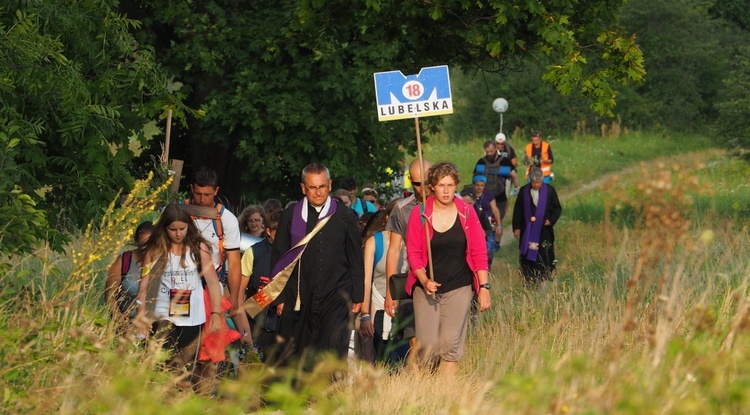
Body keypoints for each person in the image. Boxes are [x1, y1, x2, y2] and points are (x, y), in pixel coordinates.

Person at [271, 163, 364, 366]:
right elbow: (279, 258)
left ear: (330, 185)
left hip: (336, 296)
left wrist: (358, 294)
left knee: (332, 351)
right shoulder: (290, 215)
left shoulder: (345, 216)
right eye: (313, 187)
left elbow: (356, 258)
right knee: (297, 354)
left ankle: (330, 396)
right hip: (299, 296)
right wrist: (278, 297)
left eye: (322, 186)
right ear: (303, 188)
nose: (318, 192)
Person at [405, 162, 491, 374]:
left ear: (456, 186)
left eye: (450, 185)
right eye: (441, 185)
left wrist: (484, 287)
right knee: (427, 347)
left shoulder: (467, 213)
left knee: (450, 346)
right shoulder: (420, 214)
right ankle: (416, 387)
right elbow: (413, 253)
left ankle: (446, 399)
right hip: (426, 289)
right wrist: (424, 279)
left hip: (458, 287)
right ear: (432, 186)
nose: (446, 190)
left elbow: (479, 253)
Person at [135, 203, 226, 392]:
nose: (178, 234)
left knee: (184, 368)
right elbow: (144, 284)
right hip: (162, 314)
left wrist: (216, 313)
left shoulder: (198, 247)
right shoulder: (155, 249)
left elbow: (212, 281)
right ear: (164, 228)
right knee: (164, 365)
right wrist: (141, 314)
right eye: (173, 229)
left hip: (192, 316)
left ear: (188, 226)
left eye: (182, 229)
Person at [184, 168, 251, 342]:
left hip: (214, 279)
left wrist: (235, 296)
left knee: (239, 319)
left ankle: (249, 352)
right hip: (183, 281)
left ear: (216, 191)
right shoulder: (180, 212)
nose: (202, 199)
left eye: (207, 194)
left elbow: (234, 261)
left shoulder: (226, 219)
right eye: (198, 194)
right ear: (191, 189)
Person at [383, 158, 432, 360]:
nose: (422, 188)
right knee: (413, 338)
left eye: (427, 182)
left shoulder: (450, 204)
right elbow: (394, 250)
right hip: (410, 280)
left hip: (442, 278)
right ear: (410, 181)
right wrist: (390, 291)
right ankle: (419, 384)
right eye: (417, 184)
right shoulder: (402, 209)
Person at [357, 201, 400, 363]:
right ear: (387, 217)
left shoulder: (413, 240)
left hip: (406, 309)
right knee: (384, 359)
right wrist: (365, 315)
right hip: (380, 308)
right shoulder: (375, 242)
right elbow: (366, 280)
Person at [239, 210, 282, 358]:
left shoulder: (294, 253)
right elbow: (240, 293)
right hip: (255, 320)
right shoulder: (253, 252)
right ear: (268, 231)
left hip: (282, 324)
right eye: (278, 233)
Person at [512, 167, 562, 287]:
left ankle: (545, 275)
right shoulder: (524, 191)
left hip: (544, 230)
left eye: (538, 182)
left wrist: (550, 220)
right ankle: (529, 276)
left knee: (544, 252)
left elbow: (557, 208)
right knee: (527, 252)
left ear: (542, 180)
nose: (535, 185)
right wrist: (517, 227)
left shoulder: (549, 191)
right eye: (533, 182)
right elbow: (518, 210)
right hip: (527, 229)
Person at [105, 221, 154, 319]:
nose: (147, 249)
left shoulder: (164, 261)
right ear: (136, 241)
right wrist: (121, 321)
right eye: (144, 244)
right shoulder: (124, 261)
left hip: (156, 324)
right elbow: (109, 297)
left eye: (152, 244)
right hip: (127, 322)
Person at [474, 140, 513, 218]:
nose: (489, 154)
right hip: (486, 196)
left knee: (498, 221)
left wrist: (517, 187)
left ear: (496, 148)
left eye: (491, 151)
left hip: (499, 196)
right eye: (487, 152)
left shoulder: (482, 162)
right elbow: (513, 175)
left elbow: (475, 178)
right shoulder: (504, 161)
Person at [471, 175, 503, 267]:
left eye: (482, 185)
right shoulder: (470, 195)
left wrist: (499, 224)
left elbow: (495, 209)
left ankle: (487, 268)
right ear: (474, 185)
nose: (479, 187)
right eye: (477, 185)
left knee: (488, 248)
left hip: (488, 225)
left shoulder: (488, 195)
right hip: (475, 225)